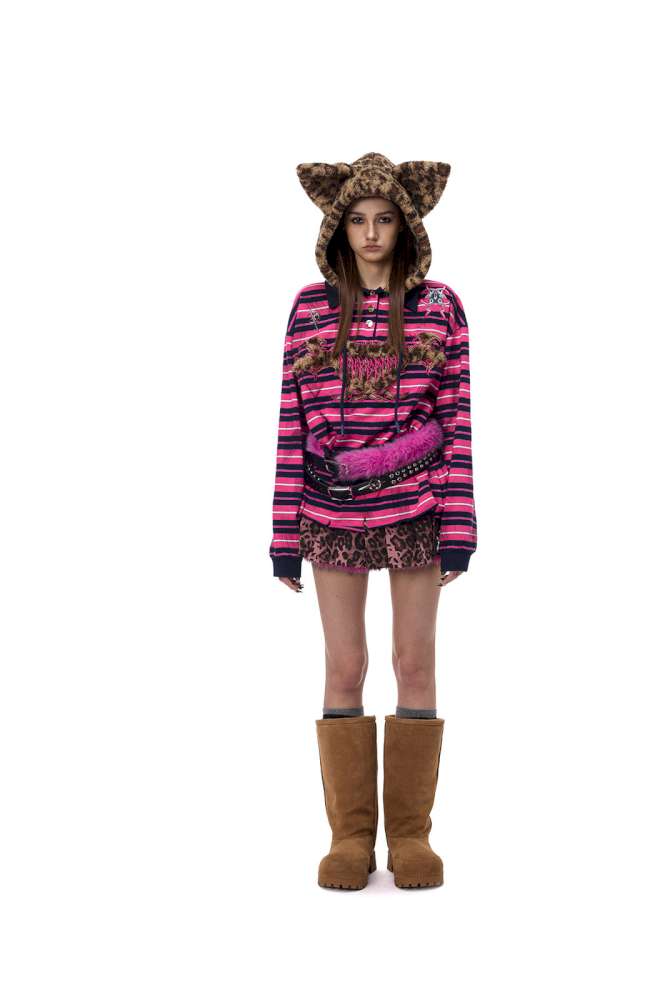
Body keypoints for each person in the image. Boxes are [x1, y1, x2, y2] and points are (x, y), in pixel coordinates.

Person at [268, 152, 477, 889]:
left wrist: (460, 528)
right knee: (344, 665)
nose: (371, 233)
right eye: (357, 220)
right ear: (338, 228)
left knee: (414, 662)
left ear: (406, 225)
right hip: (330, 510)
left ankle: (411, 836)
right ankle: (350, 837)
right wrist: (284, 537)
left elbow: (457, 420)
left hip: (419, 508)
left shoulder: (441, 307)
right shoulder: (310, 309)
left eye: (385, 218)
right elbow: (291, 425)